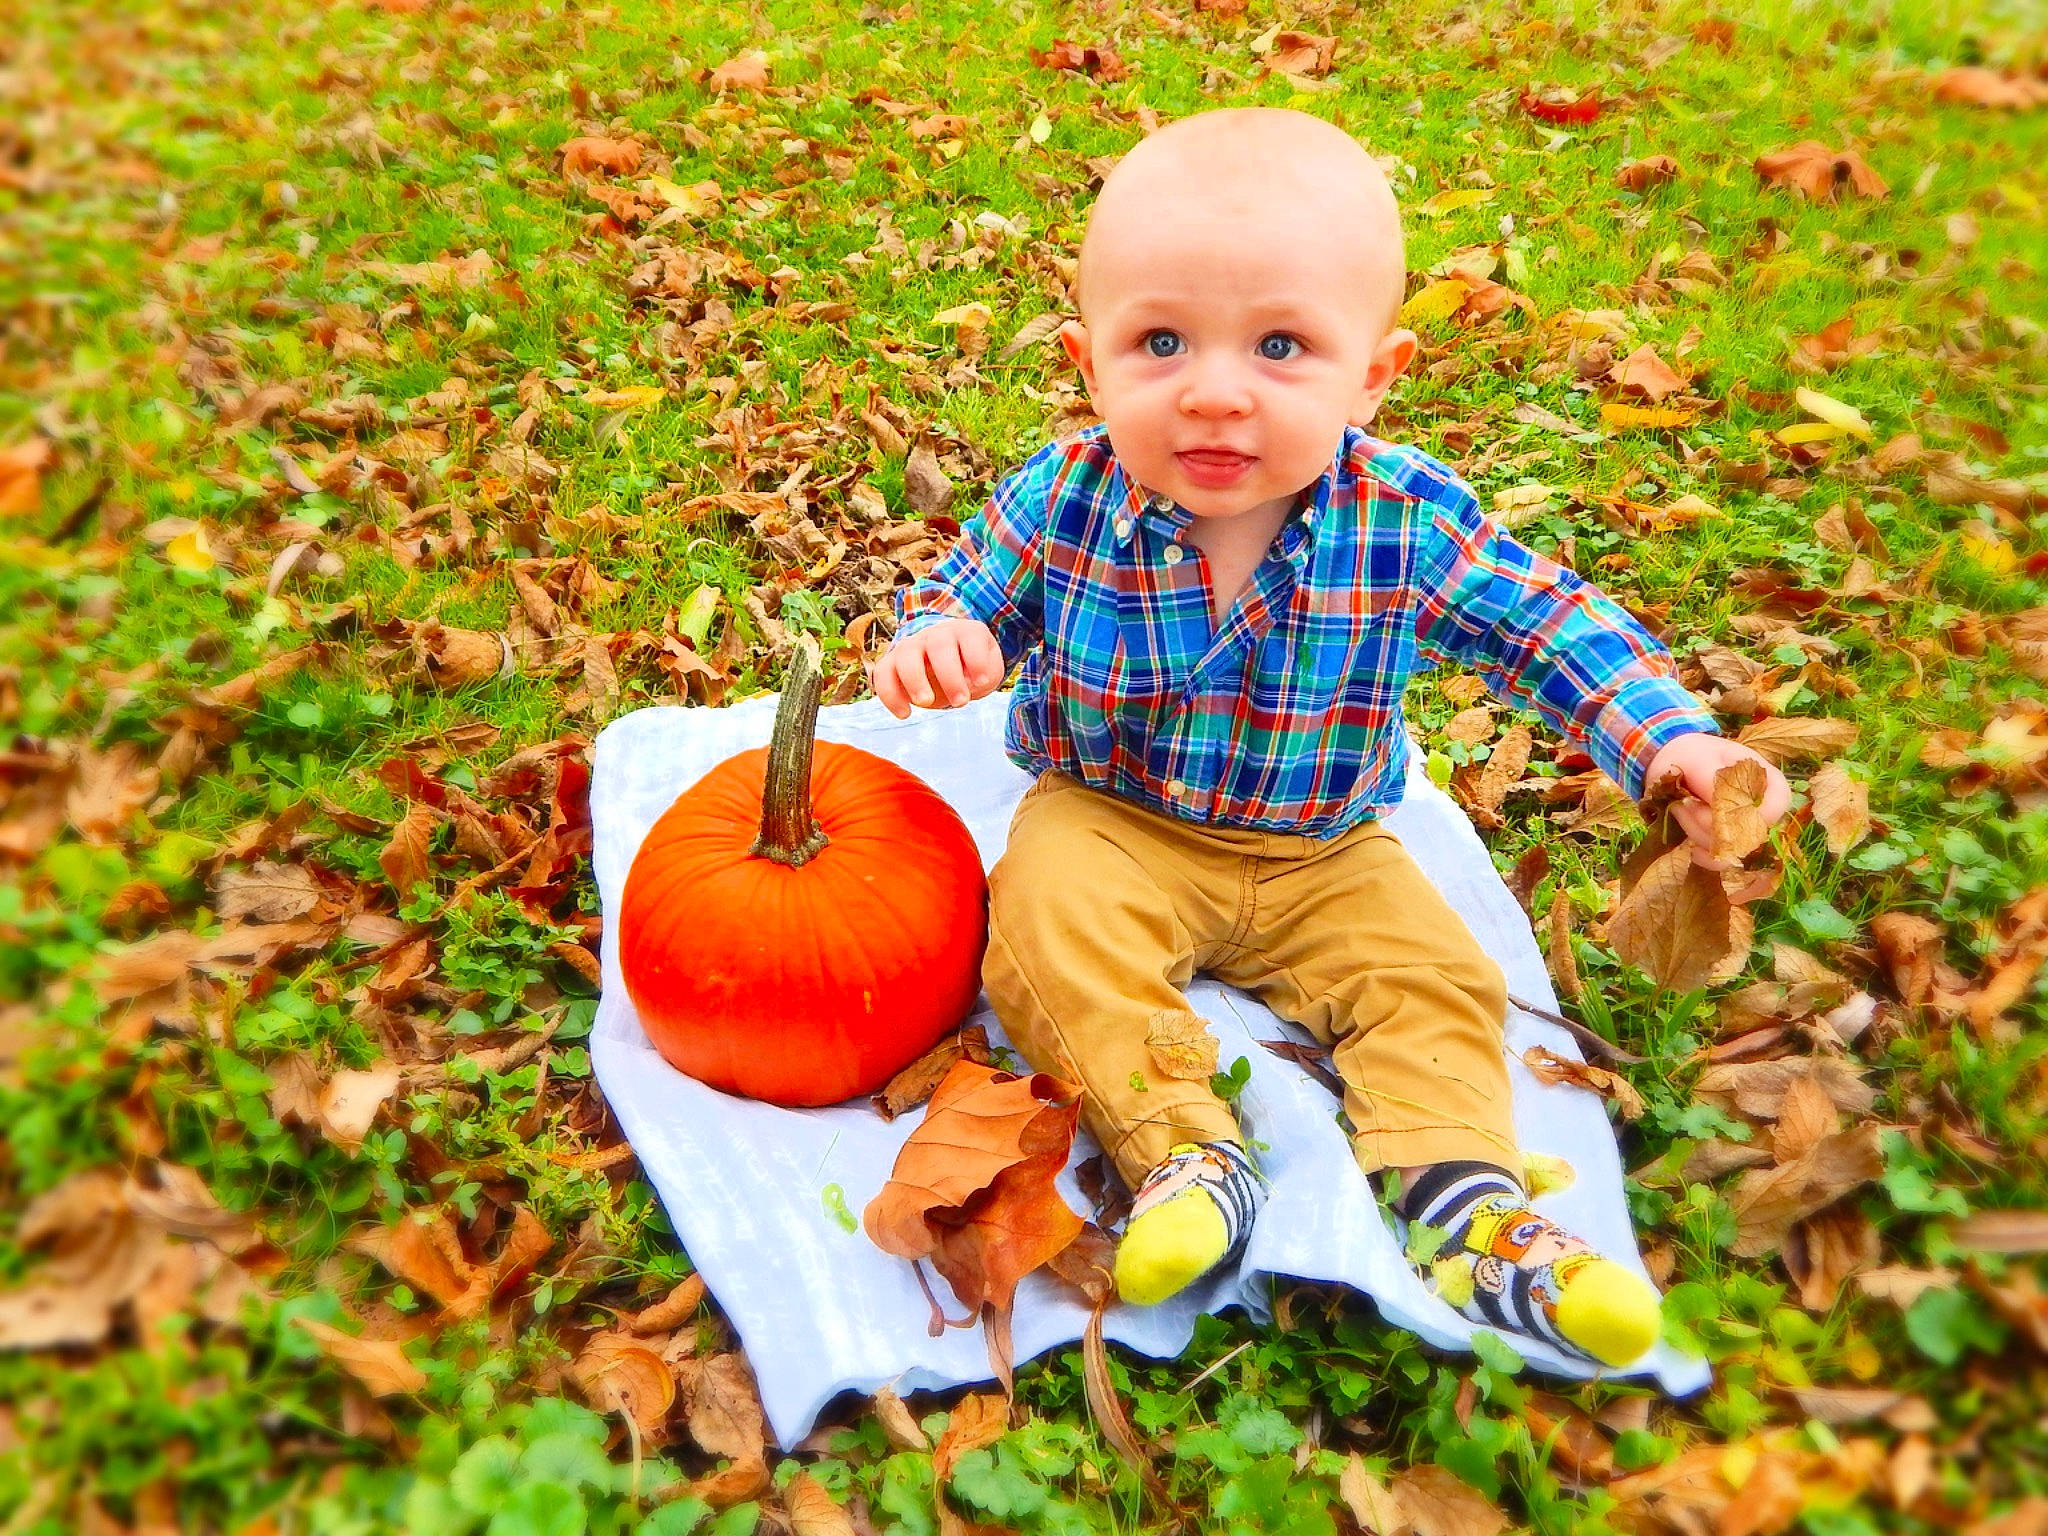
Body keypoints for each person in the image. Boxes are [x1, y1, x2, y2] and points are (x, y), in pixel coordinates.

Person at [869, 108, 1790, 1369]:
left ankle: (1469, 1207)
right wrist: (937, 642)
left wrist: (1668, 744)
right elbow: (960, 597)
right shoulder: (1062, 494)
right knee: (1040, 920)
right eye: (1158, 341)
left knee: (1433, 976)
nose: (1212, 389)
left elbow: (1547, 626)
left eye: (1281, 346)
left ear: (1373, 374)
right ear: (1089, 362)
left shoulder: (1403, 519)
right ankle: (1187, 1152)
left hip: (1321, 847)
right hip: (1113, 816)